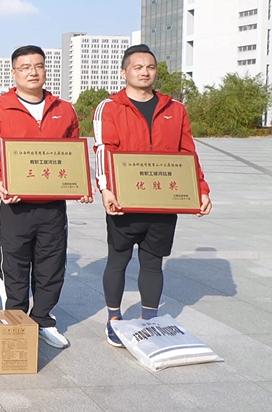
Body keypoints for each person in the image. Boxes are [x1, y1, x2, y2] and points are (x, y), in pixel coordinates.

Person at [93, 44, 212, 347]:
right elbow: (104, 149)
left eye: (150, 67)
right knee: (118, 259)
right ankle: (114, 318)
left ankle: (150, 319)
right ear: (124, 72)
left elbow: (188, 153)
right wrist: (106, 188)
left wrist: (201, 190)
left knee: (153, 262)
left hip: (162, 202)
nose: (145, 72)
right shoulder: (110, 107)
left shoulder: (175, 109)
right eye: (138, 67)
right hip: (124, 201)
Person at [0, 45, 92, 349]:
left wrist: (79, 184)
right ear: (14, 73)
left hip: (53, 206)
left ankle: (43, 320)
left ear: (45, 70)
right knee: (14, 265)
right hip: (14, 206)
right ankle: (15, 321)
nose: (32, 72)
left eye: (38, 66)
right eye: (25, 67)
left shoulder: (64, 109)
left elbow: (72, 151)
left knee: (51, 264)